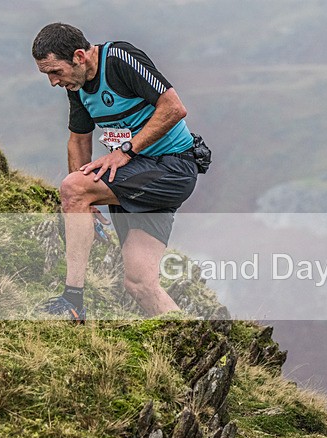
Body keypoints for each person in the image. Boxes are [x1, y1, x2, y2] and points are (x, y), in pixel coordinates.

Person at [32, 22, 205, 322]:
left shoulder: (119, 60)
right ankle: (197, 342)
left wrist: (124, 152)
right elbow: (78, 139)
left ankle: (72, 302)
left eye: (54, 72)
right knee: (140, 283)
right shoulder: (77, 86)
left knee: (74, 188)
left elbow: (174, 107)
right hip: (143, 174)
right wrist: (85, 202)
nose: (53, 82)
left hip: (173, 165)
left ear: (79, 56)